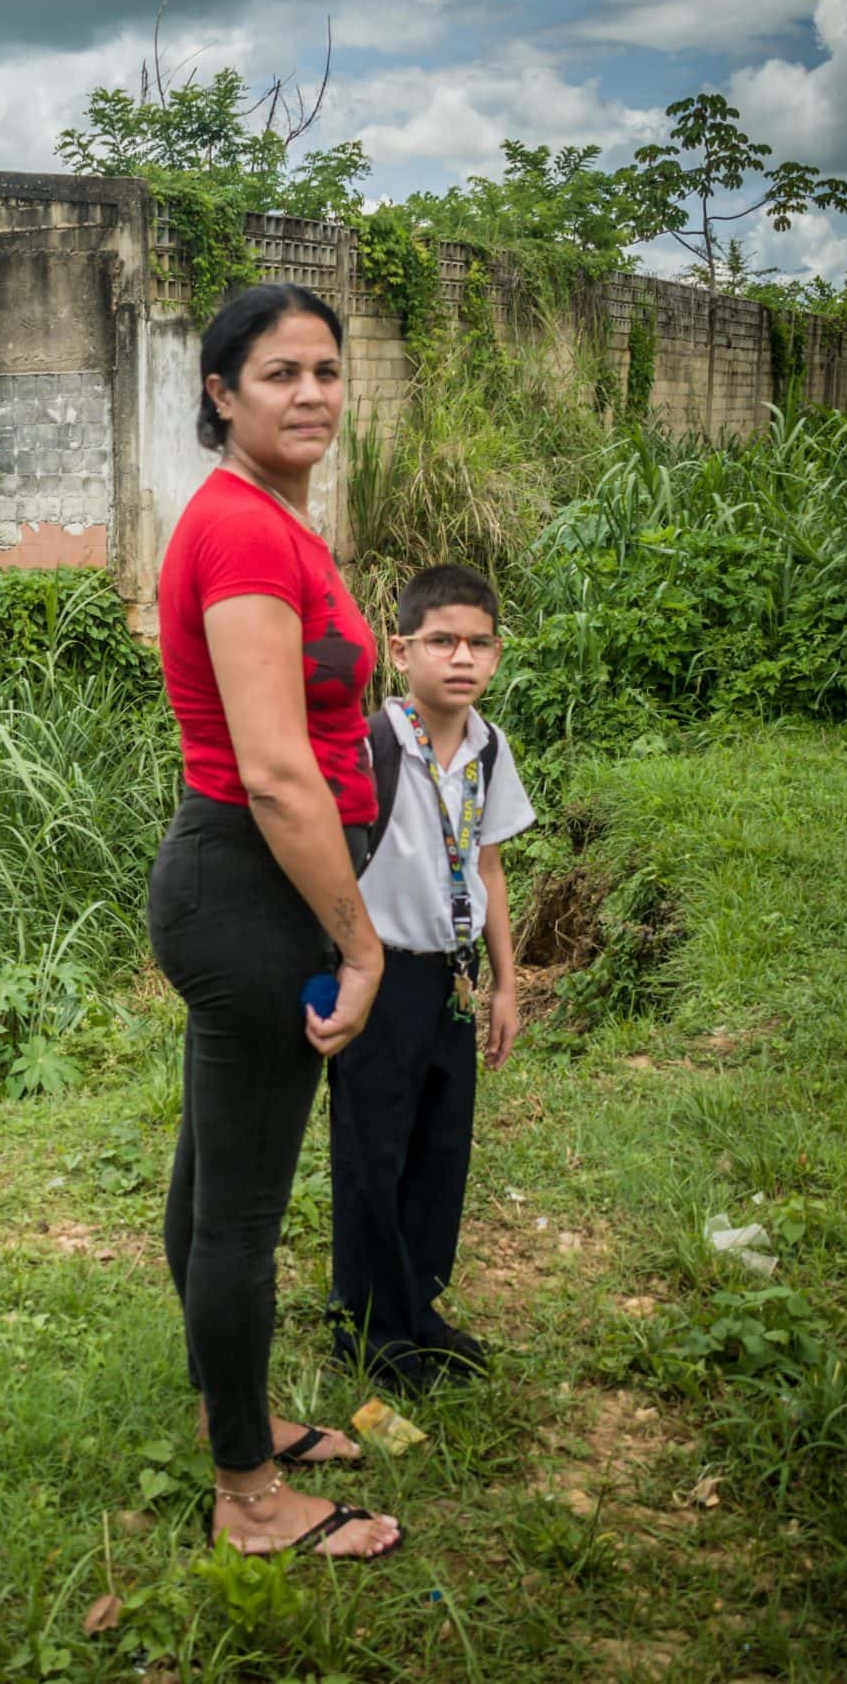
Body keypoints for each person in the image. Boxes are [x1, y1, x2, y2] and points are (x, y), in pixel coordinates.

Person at [147, 282, 402, 1561]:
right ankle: (248, 1496)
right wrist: (359, 943)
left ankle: (228, 1413)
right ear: (221, 392)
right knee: (239, 1214)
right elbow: (276, 772)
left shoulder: (266, 518)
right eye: (278, 374)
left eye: (326, 370)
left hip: (248, 887)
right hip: (256, 893)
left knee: (211, 1184)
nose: (310, 394)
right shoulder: (246, 534)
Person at [325, 563, 535, 1393]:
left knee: (440, 1148)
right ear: (401, 648)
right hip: (379, 978)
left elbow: (488, 867)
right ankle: (369, 1326)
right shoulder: (371, 745)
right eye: (442, 640)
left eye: (479, 643)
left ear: (497, 654)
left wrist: (505, 983)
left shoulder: (488, 748)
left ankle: (418, 1307)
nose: (462, 657)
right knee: (372, 1151)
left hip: (451, 979)